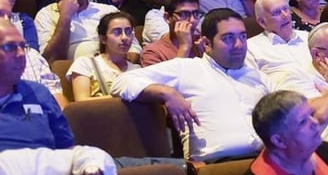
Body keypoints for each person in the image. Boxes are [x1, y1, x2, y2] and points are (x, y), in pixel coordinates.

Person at [110, 9, 274, 162]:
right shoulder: (186, 69)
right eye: (228, 38)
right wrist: (166, 93)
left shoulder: (259, 77)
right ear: (206, 44)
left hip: (268, 162)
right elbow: (121, 82)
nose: (239, 44)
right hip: (214, 167)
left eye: (243, 37)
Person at [35, 0, 141, 62]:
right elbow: (50, 60)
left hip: (116, 66)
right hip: (74, 71)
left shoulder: (108, 10)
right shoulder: (46, 14)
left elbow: (134, 51)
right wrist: (65, 17)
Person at [66, 11, 139, 101]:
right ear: (103, 39)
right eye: (117, 32)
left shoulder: (137, 70)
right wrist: (125, 96)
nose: (124, 37)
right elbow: (81, 101)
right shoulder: (85, 64)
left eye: (128, 32)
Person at [140, 0, 203, 66]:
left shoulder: (202, 43)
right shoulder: (153, 52)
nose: (192, 20)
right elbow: (170, 78)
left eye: (196, 14)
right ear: (167, 18)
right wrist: (184, 47)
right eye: (184, 14)